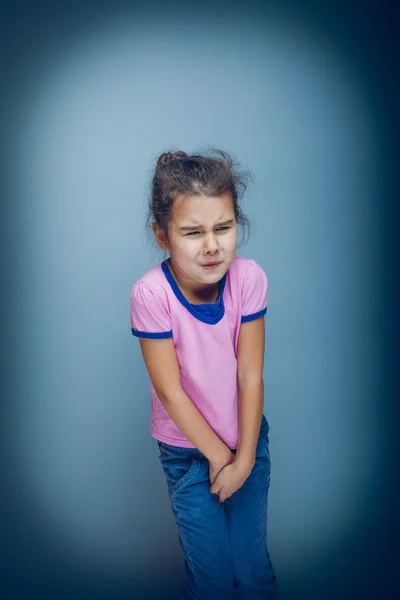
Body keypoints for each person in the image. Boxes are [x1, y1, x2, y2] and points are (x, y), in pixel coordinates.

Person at [130, 149, 279, 599]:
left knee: (251, 571)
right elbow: (170, 391)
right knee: (212, 577)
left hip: (248, 441)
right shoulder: (151, 294)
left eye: (223, 228)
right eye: (193, 233)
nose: (212, 245)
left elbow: (250, 374)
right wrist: (218, 459)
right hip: (189, 453)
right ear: (162, 235)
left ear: (238, 224)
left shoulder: (248, 278)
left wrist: (245, 459)